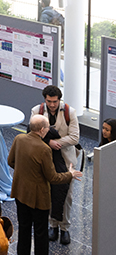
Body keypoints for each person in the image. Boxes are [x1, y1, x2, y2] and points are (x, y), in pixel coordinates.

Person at [9, 115, 83, 255]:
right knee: (40, 233)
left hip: (20, 193)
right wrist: (70, 174)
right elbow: (53, 177)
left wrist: (25, 172)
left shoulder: (18, 139)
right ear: (42, 130)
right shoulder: (44, 149)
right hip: (38, 198)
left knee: (24, 229)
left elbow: (11, 161)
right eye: (48, 126)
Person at [29, 85, 80, 245]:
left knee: (67, 196)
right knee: (49, 194)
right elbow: (31, 134)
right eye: (49, 101)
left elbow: (75, 137)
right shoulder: (36, 111)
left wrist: (56, 142)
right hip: (45, 160)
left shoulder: (69, 113)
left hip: (65, 160)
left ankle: (65, 228)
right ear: (45, 99)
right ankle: (53, 225)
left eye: (55, 101)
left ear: (59, 99)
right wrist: (48, 142)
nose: (52, 105)